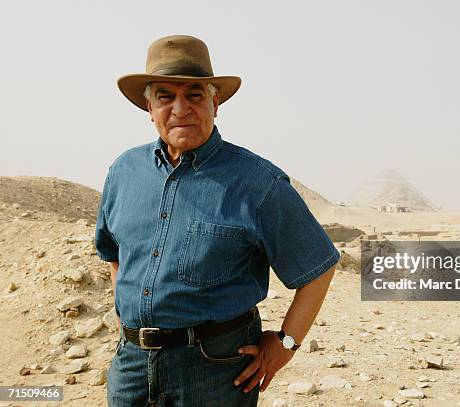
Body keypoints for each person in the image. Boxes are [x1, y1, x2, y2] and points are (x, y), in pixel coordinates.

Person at [95, 34, 339, 406]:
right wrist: (129, 323)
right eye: (165, 96)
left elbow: (318, 267)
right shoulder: (124, 172)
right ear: (149, 107)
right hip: (130, 368)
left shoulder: (258, 183)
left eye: (194, 94)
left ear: (215, 101)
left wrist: (286, 343)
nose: (180, 109)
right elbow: (114, 254)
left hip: (215, 370)